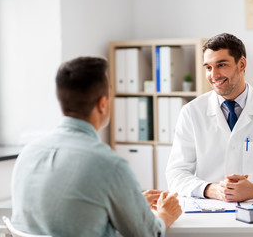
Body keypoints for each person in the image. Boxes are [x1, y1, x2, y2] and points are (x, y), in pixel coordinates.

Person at [11, 57, 182, 237]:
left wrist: (132, 204)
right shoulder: (109, 165)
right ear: (102, 103)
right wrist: (166, 214)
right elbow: (147, 234)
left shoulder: (28, 153)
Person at [166, 33, 253, 202]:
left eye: (221, 65)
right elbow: (176, 173)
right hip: (208, 212)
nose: (213, 75)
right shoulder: (191, 112)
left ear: (241, 64)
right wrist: (211, 190)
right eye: (208, 67)